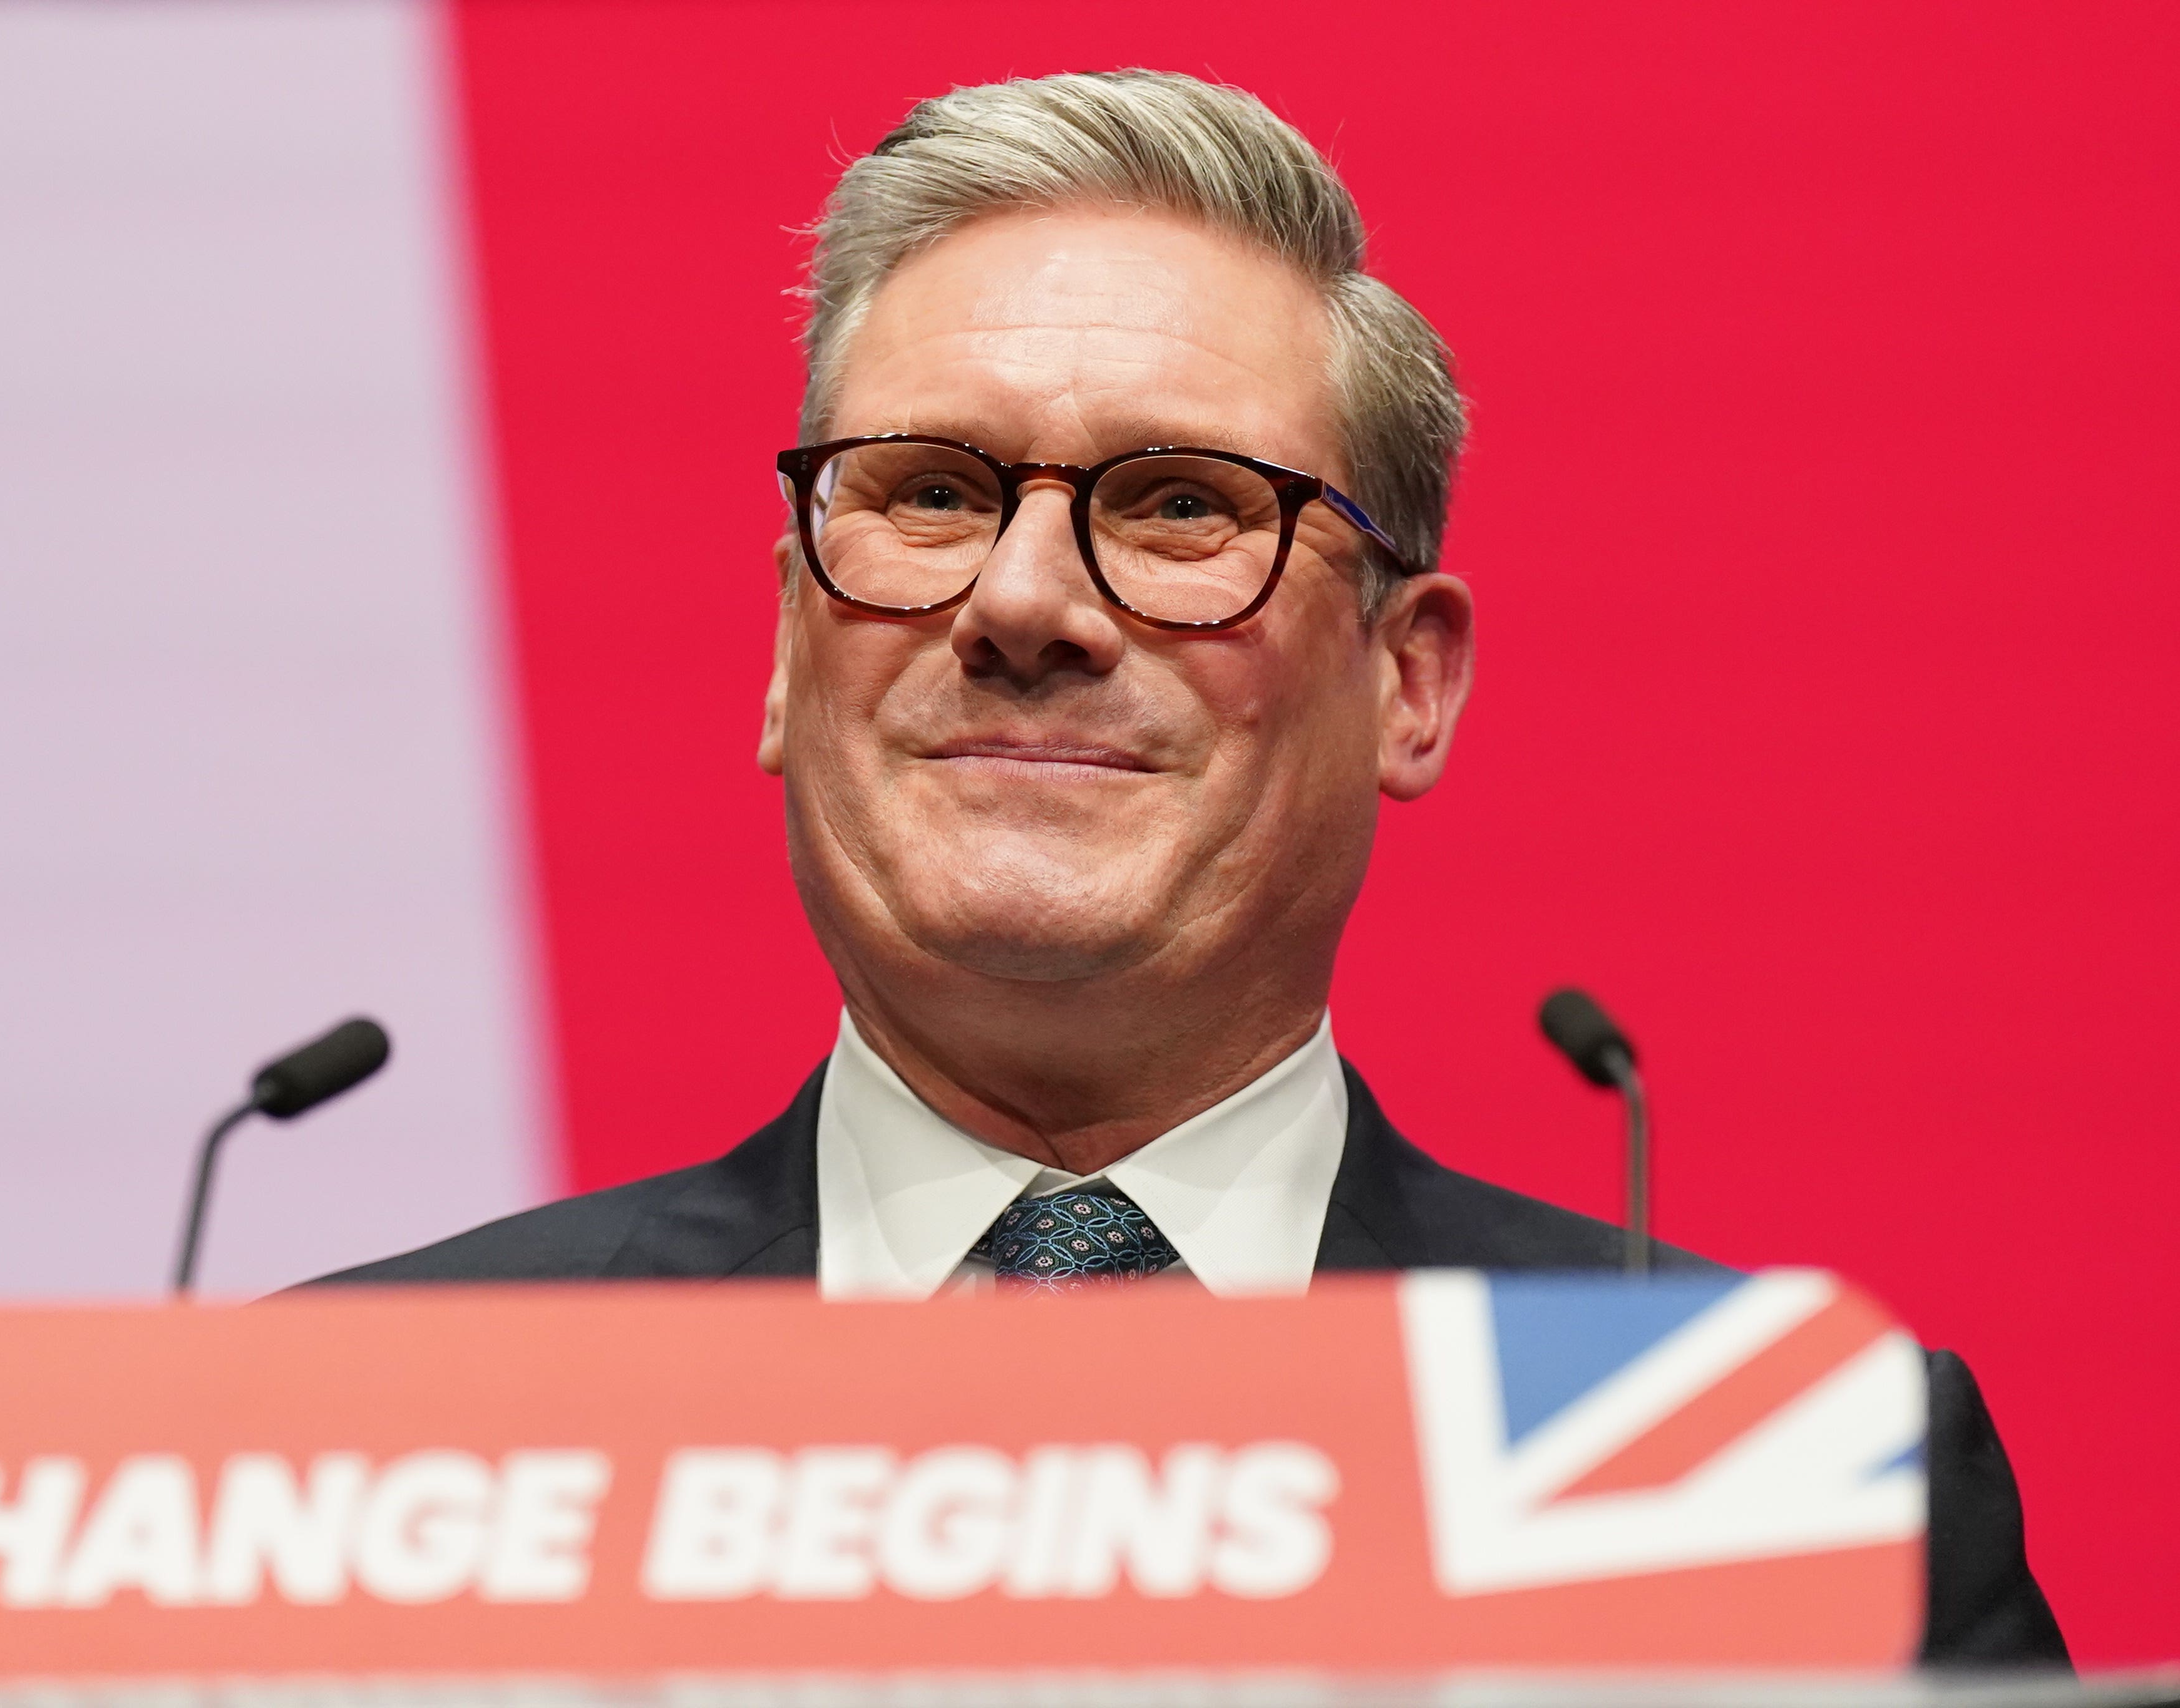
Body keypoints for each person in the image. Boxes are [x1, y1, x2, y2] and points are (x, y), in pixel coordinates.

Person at [318, 71, 2064, 1665]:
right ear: (785, 654)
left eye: (1176, 509)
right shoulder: (351, 1451)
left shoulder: (1774, 1486)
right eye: (926, 492)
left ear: (1407, 680)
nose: (1017, 604)